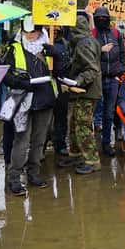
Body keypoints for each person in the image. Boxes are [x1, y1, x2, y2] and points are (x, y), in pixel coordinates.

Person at [2, 16, 66, 195]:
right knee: (21, 141)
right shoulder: (13, 49)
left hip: (45, 100)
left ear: (40, 31)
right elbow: (5, 75)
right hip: (22, 101)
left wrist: (57, 56)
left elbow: (60, 73)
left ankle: (34, 173)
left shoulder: (48, 46)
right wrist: (20, 82)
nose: (30, 35)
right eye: (27, 32)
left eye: (34, 32)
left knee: (39, 142)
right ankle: (14, 178)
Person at [57, 13, 102, 174]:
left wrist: (77, 81)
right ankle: (76, 154)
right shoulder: (89, 41)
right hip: (82, 91)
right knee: (74, 124)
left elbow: (92, 69)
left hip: (86, 91)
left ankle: (92, 160)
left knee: (82, 125)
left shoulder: (83, 44)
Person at [92, 6, 125, 157]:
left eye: (104, 18)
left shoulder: (116, 33)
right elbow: (86, 53)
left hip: (113, 79)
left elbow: (122, 54)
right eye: (98, 18)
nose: (101, 20)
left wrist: (119, 73)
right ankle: (92, 145)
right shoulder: (92, 34)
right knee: (94, 112)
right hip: (97, 79)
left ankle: (107, 143)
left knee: (109, 113)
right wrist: (101, 49)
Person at [49, 25, 71, 156]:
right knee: (45, 119)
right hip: (45, 84)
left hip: (62, 83)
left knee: (61, 116)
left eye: (57, 30)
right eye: (53, 30)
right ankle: (43, 144)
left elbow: (70, 60)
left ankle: (60, 143)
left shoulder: (65, 44)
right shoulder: (42, 42)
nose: (55, 32)